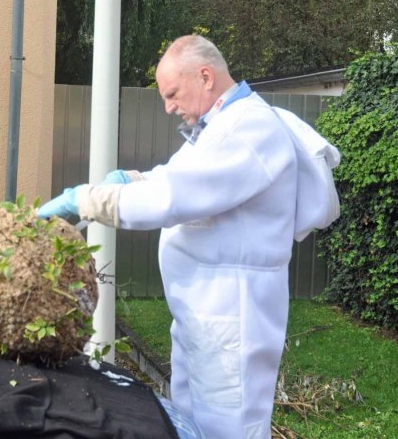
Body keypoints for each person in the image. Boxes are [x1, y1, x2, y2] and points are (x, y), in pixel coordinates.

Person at [37, 35, 300, 439]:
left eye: (173, 94)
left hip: (232, 317)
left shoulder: (249, 129)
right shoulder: (220, 125)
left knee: (229, 430)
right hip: (204, 315)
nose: (168, 106)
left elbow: (176, 196)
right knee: (191, 424)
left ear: (206, 76)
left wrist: (87, 199)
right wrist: (132, 179)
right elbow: (174, 177)